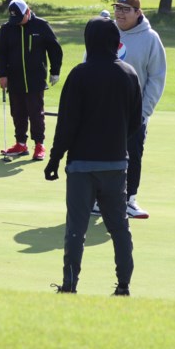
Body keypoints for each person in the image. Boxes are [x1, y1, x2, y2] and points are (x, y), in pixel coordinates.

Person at [44, 16, 142, 295]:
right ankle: (123, 286)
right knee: (119, 228)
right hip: (115, 163)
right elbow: (136, 122)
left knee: (76, 228)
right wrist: (116, 141)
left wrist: (54, 158)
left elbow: (67, 124)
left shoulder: (79, 74)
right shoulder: (129, 74)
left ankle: (69, 284)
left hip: (81, 166)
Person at [106, 0, 166, 218]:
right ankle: (99, 201)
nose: (120, 13)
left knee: (132, 155)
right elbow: (88, 64)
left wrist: (143, 112)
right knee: (102, 154)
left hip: (134, 112)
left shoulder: (150, 38)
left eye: (125, 9)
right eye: (117, 9)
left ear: (137, 12)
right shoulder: (106, 31)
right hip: (104, 111)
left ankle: (129, 200)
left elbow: (156, 77)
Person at [0, 0, 63, 161]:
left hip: (35, 78)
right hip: (14, 78)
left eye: (19, 18)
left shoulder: (41, 25)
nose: (16, 22)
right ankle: (20, 143)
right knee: (17, 113)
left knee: (35, 113)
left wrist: (55, 71)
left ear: (28, 12)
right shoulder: (6, 28)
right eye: (13, 19)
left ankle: (39, 144)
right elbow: (0, 53)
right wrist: (2, 74)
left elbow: (55, 49)